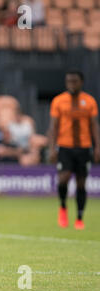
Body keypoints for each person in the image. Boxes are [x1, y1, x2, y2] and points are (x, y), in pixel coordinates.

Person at [48, 70, 100, 230]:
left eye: (74, 81)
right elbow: (53, 127)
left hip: (84, 147)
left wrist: (97, 146)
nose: (71, 84)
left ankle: (79, 217)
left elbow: (94, 125)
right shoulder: (59, 101)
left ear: (81, 82)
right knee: (63, 178)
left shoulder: (89, 101)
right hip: (65, 147)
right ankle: (63, 206)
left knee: (81, 183)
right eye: (68, 81)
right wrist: (52, 148)